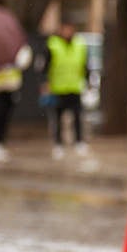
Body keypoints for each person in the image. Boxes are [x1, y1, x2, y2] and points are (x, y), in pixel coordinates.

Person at [41, 22, 89, 159]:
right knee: (57, 117)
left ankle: (79, 142)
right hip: (58, 88)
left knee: (77, 116)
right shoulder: (53, 44)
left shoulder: (80, 44)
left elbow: (85, 64)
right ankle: (58, 144)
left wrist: (87, 80)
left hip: (75, 87)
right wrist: (46, 83)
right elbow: (45, 66)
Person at [0, 45, 31, 163]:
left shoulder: (15, 44)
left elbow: (24, 61)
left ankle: (0, 142)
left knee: (5, 116)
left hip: (11, 86)